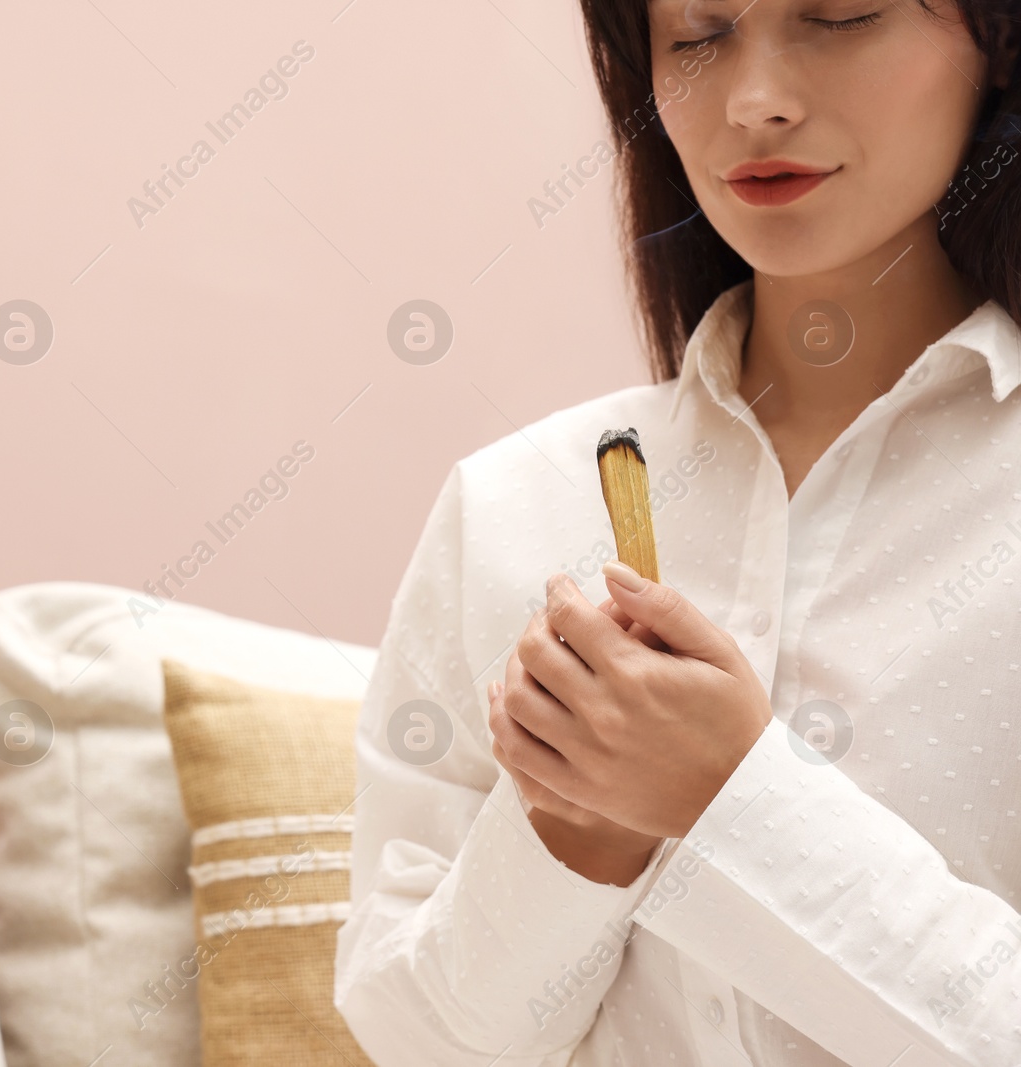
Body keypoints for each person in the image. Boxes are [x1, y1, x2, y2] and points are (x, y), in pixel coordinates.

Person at [333, 1, 1021, 1064]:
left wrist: (727, 799)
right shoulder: (511, 504)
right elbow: (413, 1040)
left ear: (999, 45)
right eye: (696, 34)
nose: (754, 101)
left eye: (838, 14)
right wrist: (575, 833)